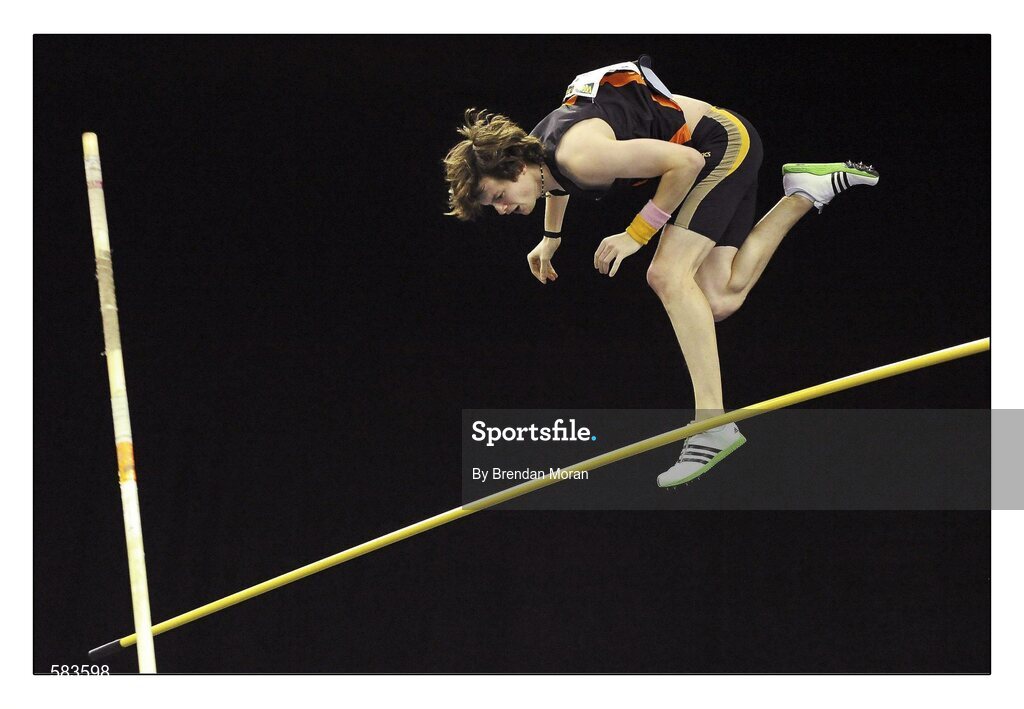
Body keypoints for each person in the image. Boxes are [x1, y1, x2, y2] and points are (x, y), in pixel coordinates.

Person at [442, 56, 879, 488]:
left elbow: (684, 164)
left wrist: (637, 234)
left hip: (719, 144)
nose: (502, 209)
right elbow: (554, 183)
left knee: (666, 275)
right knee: (717, 298)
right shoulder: (542, 156)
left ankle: (712, 423)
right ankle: (804, 193)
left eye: (498, 196)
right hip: (718, 146)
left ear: (516, 168)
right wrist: (551, 235)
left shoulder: (580, 156)